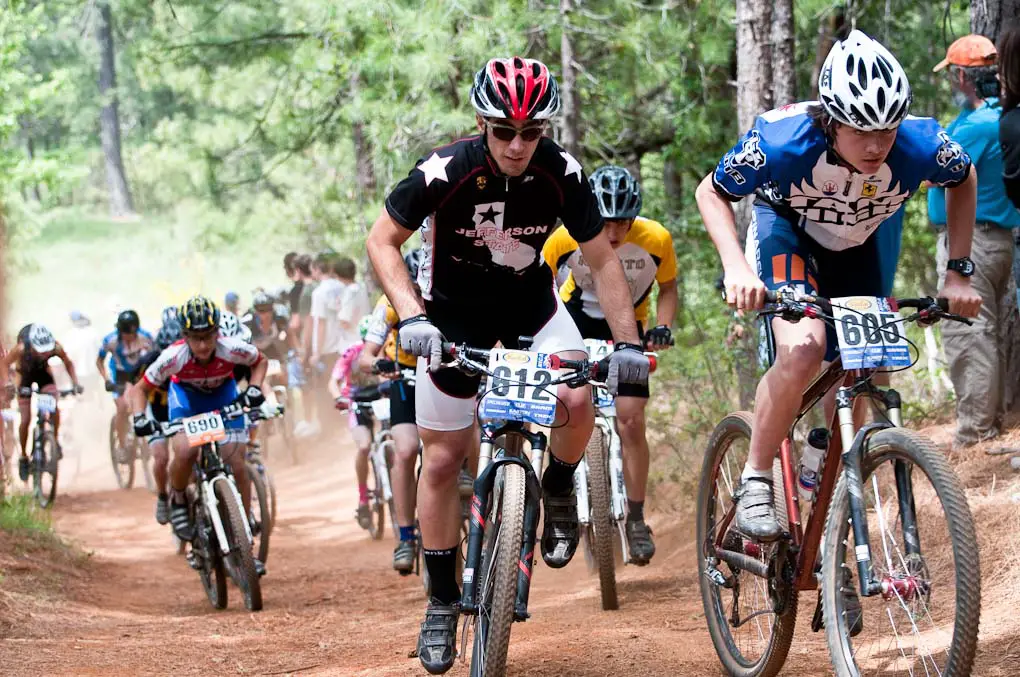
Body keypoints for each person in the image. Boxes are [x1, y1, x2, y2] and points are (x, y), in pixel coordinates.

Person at [365, 56, 649, 674]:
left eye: (532, 132)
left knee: (579, 397)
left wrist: (626, 345)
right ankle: (441, 604)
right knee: (441, 459)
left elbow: (602, 261)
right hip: (450, 318)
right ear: (481, 124)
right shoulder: (445, 170)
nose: (518, 145)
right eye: (504, 131)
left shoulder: (561, 173)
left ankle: (557, 486)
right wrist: (412, 316)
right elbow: (381, 240)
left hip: (531, 309)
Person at [696, 29, 981, 548]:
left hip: (853, 247)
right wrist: (736, 266)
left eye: (886, 131)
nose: (875, 146)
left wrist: (958, 271)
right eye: (860, 131)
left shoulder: (920, 145)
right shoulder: (783, 142)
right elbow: (710, 191)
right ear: (830, 122)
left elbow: (964, 179)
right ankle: (757, 476)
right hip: (787, 232)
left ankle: (827, 465)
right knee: (804, 346)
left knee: (865, 359)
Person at [542, 164, 677, 565]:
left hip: (627, 325)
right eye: (605, 223)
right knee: (569, 404)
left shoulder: (656, 240)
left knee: (631, 420)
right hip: (574, 319)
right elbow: (540, 281)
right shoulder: (564, 238)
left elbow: (668, 287)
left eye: (623, 223)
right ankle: (565, 490)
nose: (614, 234)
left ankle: (636, 518)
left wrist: (663, 327)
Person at [129, 296, 268, 575]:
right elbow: (139, 390)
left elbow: (260, 361)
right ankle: (178, 497)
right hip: (187, 402)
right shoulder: (173, 357)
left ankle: (243, 524)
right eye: (196, 338)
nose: (203, 345)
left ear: (218, 333)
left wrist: (254, 387)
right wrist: (139, 418)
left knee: (238, 462)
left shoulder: (231, 349)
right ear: (185, 337)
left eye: (208, 337)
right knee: (185, 451)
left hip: (222, 396)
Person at [927, 34, 1020, 450]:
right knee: (988, 332)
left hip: (974, 244)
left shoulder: (980, 125)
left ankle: (976, 433)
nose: (952, 82)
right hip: (995, 239)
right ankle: (990, 421)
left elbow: (932, 171)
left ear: (963, 75)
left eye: (953, 75)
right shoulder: (996, 116)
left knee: (969, 332)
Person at [360, 250, 425, 573]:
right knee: (407, 450)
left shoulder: (448, 295)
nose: (418, 293)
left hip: (444, 377)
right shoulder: (388, 305)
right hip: (405, 380)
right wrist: (379, 364)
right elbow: (364, 357)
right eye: (412, 286)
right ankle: (405, 536)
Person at [2, 324, 83, 480]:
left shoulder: (55, 346)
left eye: (46, 350)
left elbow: (68, 363)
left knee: (54, 407)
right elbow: (4, 363)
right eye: (40, 350)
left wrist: (75, 383)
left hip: (43, 375)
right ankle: (24, 457)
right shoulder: (21, 348)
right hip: (24, 375)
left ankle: (55, 439)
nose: (44, 353)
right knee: (25, 419)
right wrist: (8, 384)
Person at [327, 317, 378, 530]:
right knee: (364, 446)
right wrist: (339, 397)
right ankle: (363, 498)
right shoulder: (352, 352)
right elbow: (334, 381)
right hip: (357, 402)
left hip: (382, 400)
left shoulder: (389, 349)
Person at [130, 320, 181, 524]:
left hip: (180, 410)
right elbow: (133, 385)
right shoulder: (148, 360)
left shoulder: (190, 357)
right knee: (161, 458)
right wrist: (137, 413)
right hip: (156, 410)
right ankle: (162, 495)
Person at [96, 310, 154, 461]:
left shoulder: (146, 337)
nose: (130, 337)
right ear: (120, 331)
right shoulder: (111, 340)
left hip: (139, 372)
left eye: (133, 334)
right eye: (127, 334)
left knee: (147, 404)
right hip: (119, 375)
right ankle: (122, 447)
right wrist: (107, 379)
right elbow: (99, 361)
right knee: (122, 407)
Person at [307, 252, 346, 434]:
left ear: (316, 269)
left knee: (326, 389)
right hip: (345, 344)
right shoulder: (343, 286)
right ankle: (347, 422)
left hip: (328, 348)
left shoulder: (319, 292)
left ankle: (330, 428)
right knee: (345, 384)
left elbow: (320, 323)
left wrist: (316, 352)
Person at [335, 256, 372, 352]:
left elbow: (344, 321)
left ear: (338, 275)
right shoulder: (362, 287)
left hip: (350, 343)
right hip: (364, 339)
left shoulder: (350, 291)